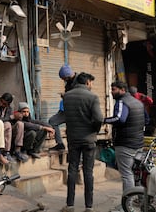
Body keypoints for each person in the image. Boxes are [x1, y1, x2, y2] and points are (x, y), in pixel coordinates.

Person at [61, 72, 103, 212]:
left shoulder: (66, 96)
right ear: (87, 82)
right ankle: (88, 207)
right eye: (91, 82)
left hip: (73, 138)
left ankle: (70, 205)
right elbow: (98, 119)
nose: (92, 85)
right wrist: (94, 131)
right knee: (88, 172)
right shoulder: (92, 97)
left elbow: (67, 116)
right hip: (88, 139)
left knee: (72, 169)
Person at [104, 81, 145, 193]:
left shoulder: (122, 102)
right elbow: (146, 120)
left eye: (114, 89)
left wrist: (104, 120)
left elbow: (119, 119)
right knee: (136, 173)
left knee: (127, 174)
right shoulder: (138, 103)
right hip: (138, 144)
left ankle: (128, 202)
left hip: (125, 144)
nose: (111, 92)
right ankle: (138, 200)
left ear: (122, 90)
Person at [0, 93, 28, 162]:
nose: (1, 104)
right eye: (1, 102)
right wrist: (11, 117)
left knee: (20, 124)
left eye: (4, 104)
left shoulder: (10, 107)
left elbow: (10, 119)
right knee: (7, 124)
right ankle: (6, 152)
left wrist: (17, 117)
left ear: (8, 104)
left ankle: (17, 151)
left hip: (6, 128)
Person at [49, 65, 78, 151]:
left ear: (67, 76)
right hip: (65, 109)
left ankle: (79, 158)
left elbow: (79, 96)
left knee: (74, 134)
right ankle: (60, 144)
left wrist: (66, 95)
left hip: (75, 111)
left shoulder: (79, 81)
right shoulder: (69, 82)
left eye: (63, 78)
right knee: (53, 121)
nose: (63, 80)